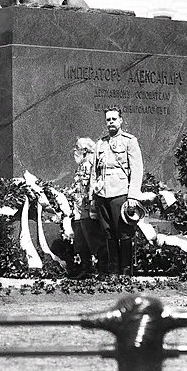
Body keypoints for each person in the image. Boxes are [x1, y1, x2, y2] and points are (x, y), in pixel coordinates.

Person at [89, 108, 144, 277]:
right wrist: (92, 196)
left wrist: (133, 195)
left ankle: (126, 272)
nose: (111, 122)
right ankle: (113, 271)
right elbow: (94, 172)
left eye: (114, 119)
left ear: (121, 120)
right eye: (108, 119)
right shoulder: (100, 143)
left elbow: (137, 169)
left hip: (120, 192)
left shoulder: (129, 141)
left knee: (124, 232)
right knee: (108, 233)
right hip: (102, 193)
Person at [70, 137, 104, 278]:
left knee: (94, 240)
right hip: (79, 210)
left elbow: (93, 187)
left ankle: (102, 269)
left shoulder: (91, 166)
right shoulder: (81, 166)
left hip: (89, 209)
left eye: (76, 148)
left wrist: (92, 207)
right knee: (80, 241)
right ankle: (86, 268)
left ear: (84, 151)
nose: (74, 151)